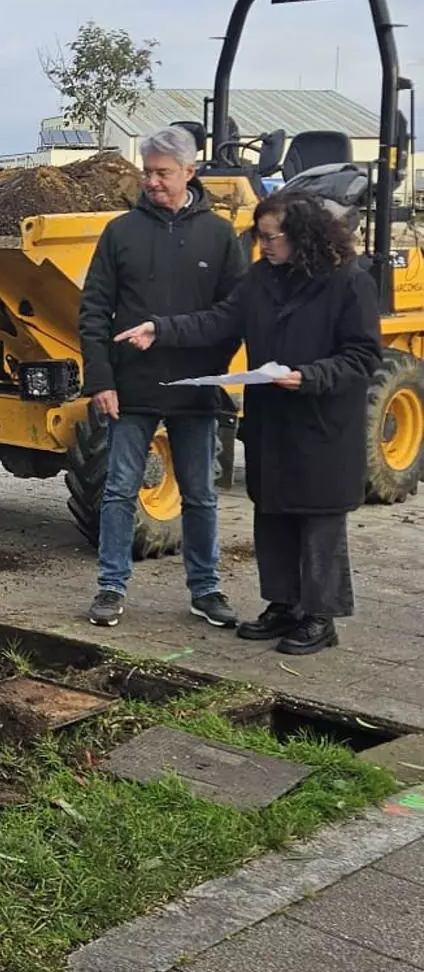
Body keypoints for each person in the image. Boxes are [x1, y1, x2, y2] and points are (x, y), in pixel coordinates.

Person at [116, 192, 382, 654]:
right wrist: (161, 328)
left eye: (271, 237)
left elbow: (362, 356)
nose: (264, 246)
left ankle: (320, 616)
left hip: (321, 423)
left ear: (303, 235)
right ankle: (282, 605)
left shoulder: (348, 283)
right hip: (271, 421)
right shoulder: (261, 279)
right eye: (259, 238)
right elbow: (220, 320)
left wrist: (311, 376)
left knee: (317, 521)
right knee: (273, 513)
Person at [79, 125, 247, 630]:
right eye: (147, 172)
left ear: (190, 173)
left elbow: (234, 314)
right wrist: (101, 380)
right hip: (131, 387)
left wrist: (208, 366)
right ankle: (110, 586)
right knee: (118, 489)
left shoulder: (218, 235)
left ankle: (206, 588)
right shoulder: (120, 233)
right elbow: (94, 311)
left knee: (199, 494)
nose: (152, 181)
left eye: (162, 173)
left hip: (194, 388)